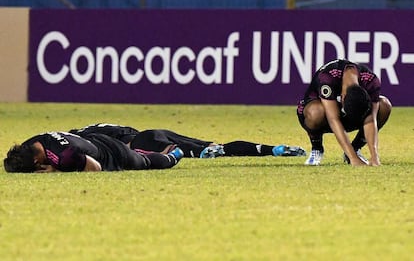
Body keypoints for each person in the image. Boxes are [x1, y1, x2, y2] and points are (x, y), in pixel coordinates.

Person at [297, 59, 392, 166]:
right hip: (322, 116)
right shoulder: (328, 77)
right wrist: (354, 159)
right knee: (316, 112)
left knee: (384, 105)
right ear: (342, 97)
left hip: (348, 118)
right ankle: (317, 148)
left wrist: (374, 157)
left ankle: (356, 148)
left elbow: (371, 118)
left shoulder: (370, 80)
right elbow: (333, 120)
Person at [68, 123, 307, 159]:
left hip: (145, 141)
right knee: (218, 148)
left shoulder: (86, 137)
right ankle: (271, 149)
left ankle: (272, 150)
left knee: (208, 154)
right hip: (155, 132)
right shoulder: (103, 125)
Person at [3, 131, 183, 173]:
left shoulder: (64, 157)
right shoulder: (31, 143)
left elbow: (95, 168)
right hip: (92, 139)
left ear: (36, 163)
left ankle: (174, 155)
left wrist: (57, 170)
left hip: (112, 153)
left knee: (144, 163)